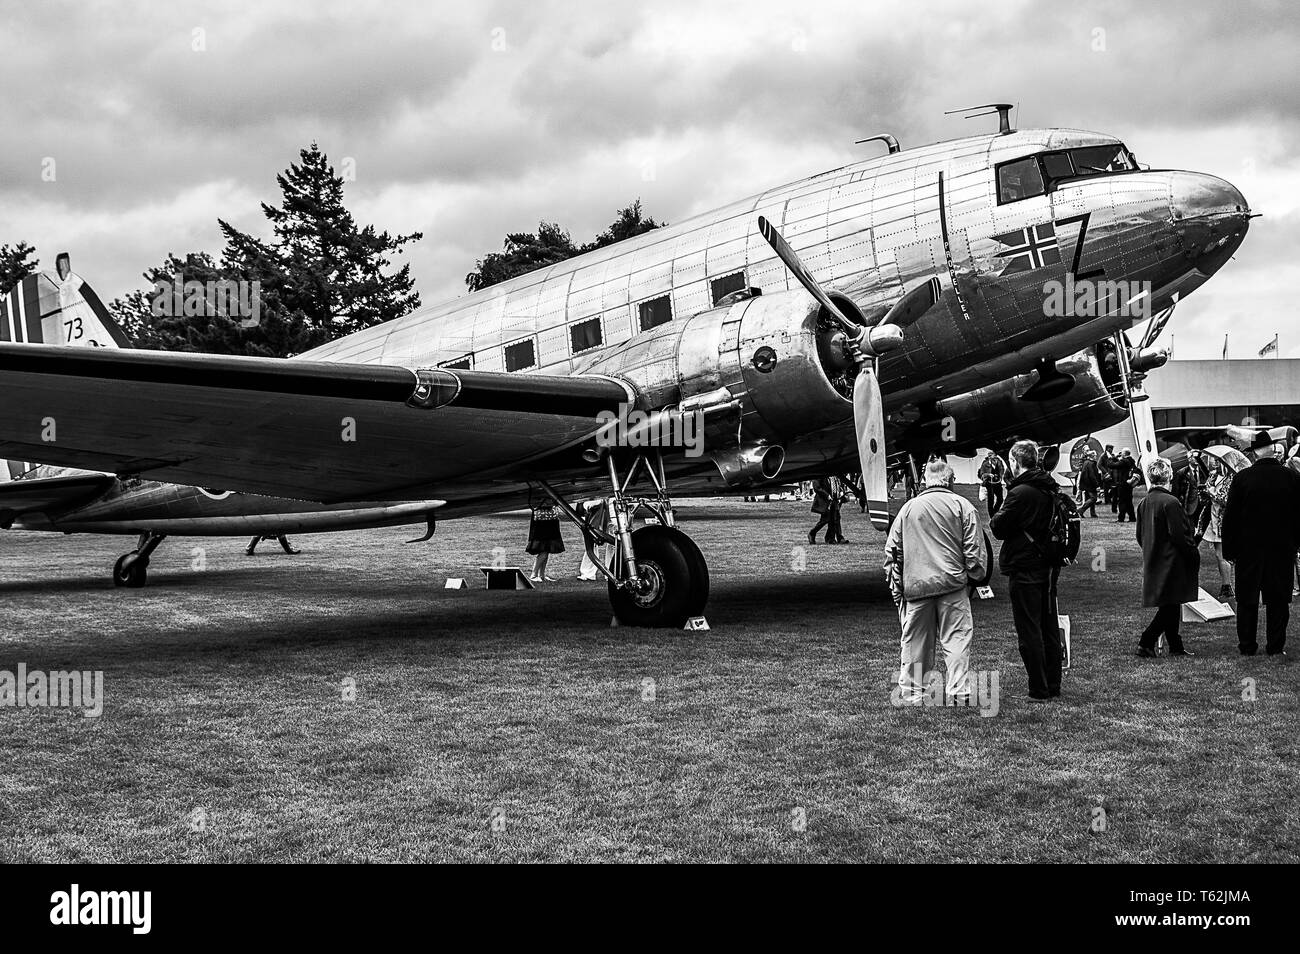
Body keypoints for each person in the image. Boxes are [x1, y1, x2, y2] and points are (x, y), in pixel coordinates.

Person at [883, 460, 986, 703]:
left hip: (917, 587)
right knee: (957, 640)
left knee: (914, 642)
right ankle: (959, 691)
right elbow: (974, 552)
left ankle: (911, 693)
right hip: (953, 585)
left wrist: (897, 587)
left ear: (924, 483)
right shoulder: (963, 506)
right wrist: (973, 576)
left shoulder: (908, 509)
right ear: (951, 481)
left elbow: (893, 552)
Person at [990, 439, 1062, 701]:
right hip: (1047, 566)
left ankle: (1038, 688)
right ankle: (1053, 684)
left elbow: (998, 527)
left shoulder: (1020, 493)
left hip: (1025, 566)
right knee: (1048, 627)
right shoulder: (1049, 488)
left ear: (1015, 461)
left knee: (1029, 630)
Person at [1221, 431, 1300, 656]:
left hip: (1249, 549)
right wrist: (1296, 542)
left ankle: (1247, 645)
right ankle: (1275, 646)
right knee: (1278, 600)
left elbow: (1231, 518)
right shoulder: (1292, 477)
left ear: (1255, 453)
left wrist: (1230, 549)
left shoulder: (1242, 478)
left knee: (1247, 600)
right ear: (1273, 451)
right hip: (1281, 548)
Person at [1135, 458, 1200, 658]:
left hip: (1154, 556)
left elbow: (1140, 535)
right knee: (1171, 605)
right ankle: (1147, 640)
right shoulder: (1171, 502)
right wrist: (1193, 552)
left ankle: (1175, 645)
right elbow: (1179, 536)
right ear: (1168, 476)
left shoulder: (1145, 502)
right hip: (1172, 559)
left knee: (1170, 603)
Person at [1196, 457, 1235, 601]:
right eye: (1215, 461)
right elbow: (1205, 500)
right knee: (1219, 554)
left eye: (1219, 461)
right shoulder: (1212, 475)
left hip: (1224, 520)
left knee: (1222, 554)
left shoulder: (1232, 477)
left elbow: (1227, 500)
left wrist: (1212, 493)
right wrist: (1203, 494)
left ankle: (1227, 586)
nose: (1215, 463)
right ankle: (1226, 585)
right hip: (1211, 517)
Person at [526, 501, 565, 582]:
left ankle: (541, 575)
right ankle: (534, 575)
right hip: (542, 521)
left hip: (549, 519)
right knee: (544, 549)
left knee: (546, 549)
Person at [977, 450, 1008, 516]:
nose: (989, 455)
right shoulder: (985, 463)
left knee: (1000, 499)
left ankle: (994, 512)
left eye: (991, 454)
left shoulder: (999, 461)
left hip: (997, 483)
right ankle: (992, 516)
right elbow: (981, 473)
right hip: (989, 483)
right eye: (989, 454)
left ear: (995, 455)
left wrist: (1000, 476)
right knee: (991, 500)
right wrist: (988, 474)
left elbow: (1002, 469)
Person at [1113, 448, 1139, 522]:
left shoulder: (1124, 461)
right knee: (1128, 502)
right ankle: (1132, 518)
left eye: (1122, 453)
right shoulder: (1132, 461)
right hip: (1129, 484)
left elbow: (1111, 465)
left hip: (1123, 483)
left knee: (1122, 501)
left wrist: (1112, 457)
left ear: (1124, 454)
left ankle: (1121, 518)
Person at [808, 477, 835, 544]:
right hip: (823, 501)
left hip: (832, 501)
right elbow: (816, 487)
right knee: (825, 519)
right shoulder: (819, 475)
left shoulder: (831, 477)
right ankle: (812, 533)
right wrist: (827, 495)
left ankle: (830, 539)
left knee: (832, 519)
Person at [1077, 450, 1101, 518]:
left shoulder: (1086, 462)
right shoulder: (1091, 464)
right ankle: (1080, 510)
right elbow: (1092, 475)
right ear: (1093, 456)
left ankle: (1093, 513)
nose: (1096, 456)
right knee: (1093, 498)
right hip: (1090, 484)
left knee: (1090, 498)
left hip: (1085, 484)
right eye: (1095, 455)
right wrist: (1097, 485)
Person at [1099, 444, 1118, 513]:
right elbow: (1099, 465)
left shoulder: (1112, 455)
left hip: (1112, 475)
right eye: (1110, 448)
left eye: (1112, 448)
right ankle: (1107, 501)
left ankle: (1111, 499)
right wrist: (1105, 472)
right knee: (1106, 488)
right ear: (1107, 448)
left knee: (1113, 488)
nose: (1111, 450)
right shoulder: (1103, 456)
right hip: (1106, 475)